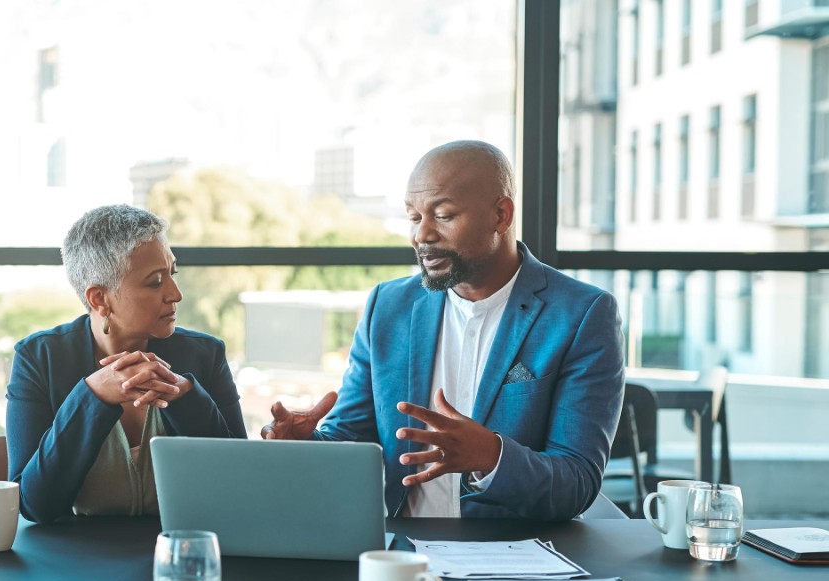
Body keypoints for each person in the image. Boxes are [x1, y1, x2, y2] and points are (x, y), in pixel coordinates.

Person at [262, 140, 624, 520]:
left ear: (501, 215)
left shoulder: (582, 314)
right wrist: (305, 447)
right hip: (403, 551)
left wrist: (492, 457)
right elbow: (351, 440)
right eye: (414, 217)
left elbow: (578, 481)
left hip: (516, 554)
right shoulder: (387, 307)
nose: (422, 235)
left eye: (444, 215)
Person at [7, 204, 247, 523]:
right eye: (154, 282)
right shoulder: (38, 359)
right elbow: (33, 505)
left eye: (172, 274)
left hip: (180, 550)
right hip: (75, 560)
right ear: (99, 299)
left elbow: (238, 483)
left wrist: (187, 396)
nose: (175, 294)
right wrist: (92, 397)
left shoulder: (205, 355)